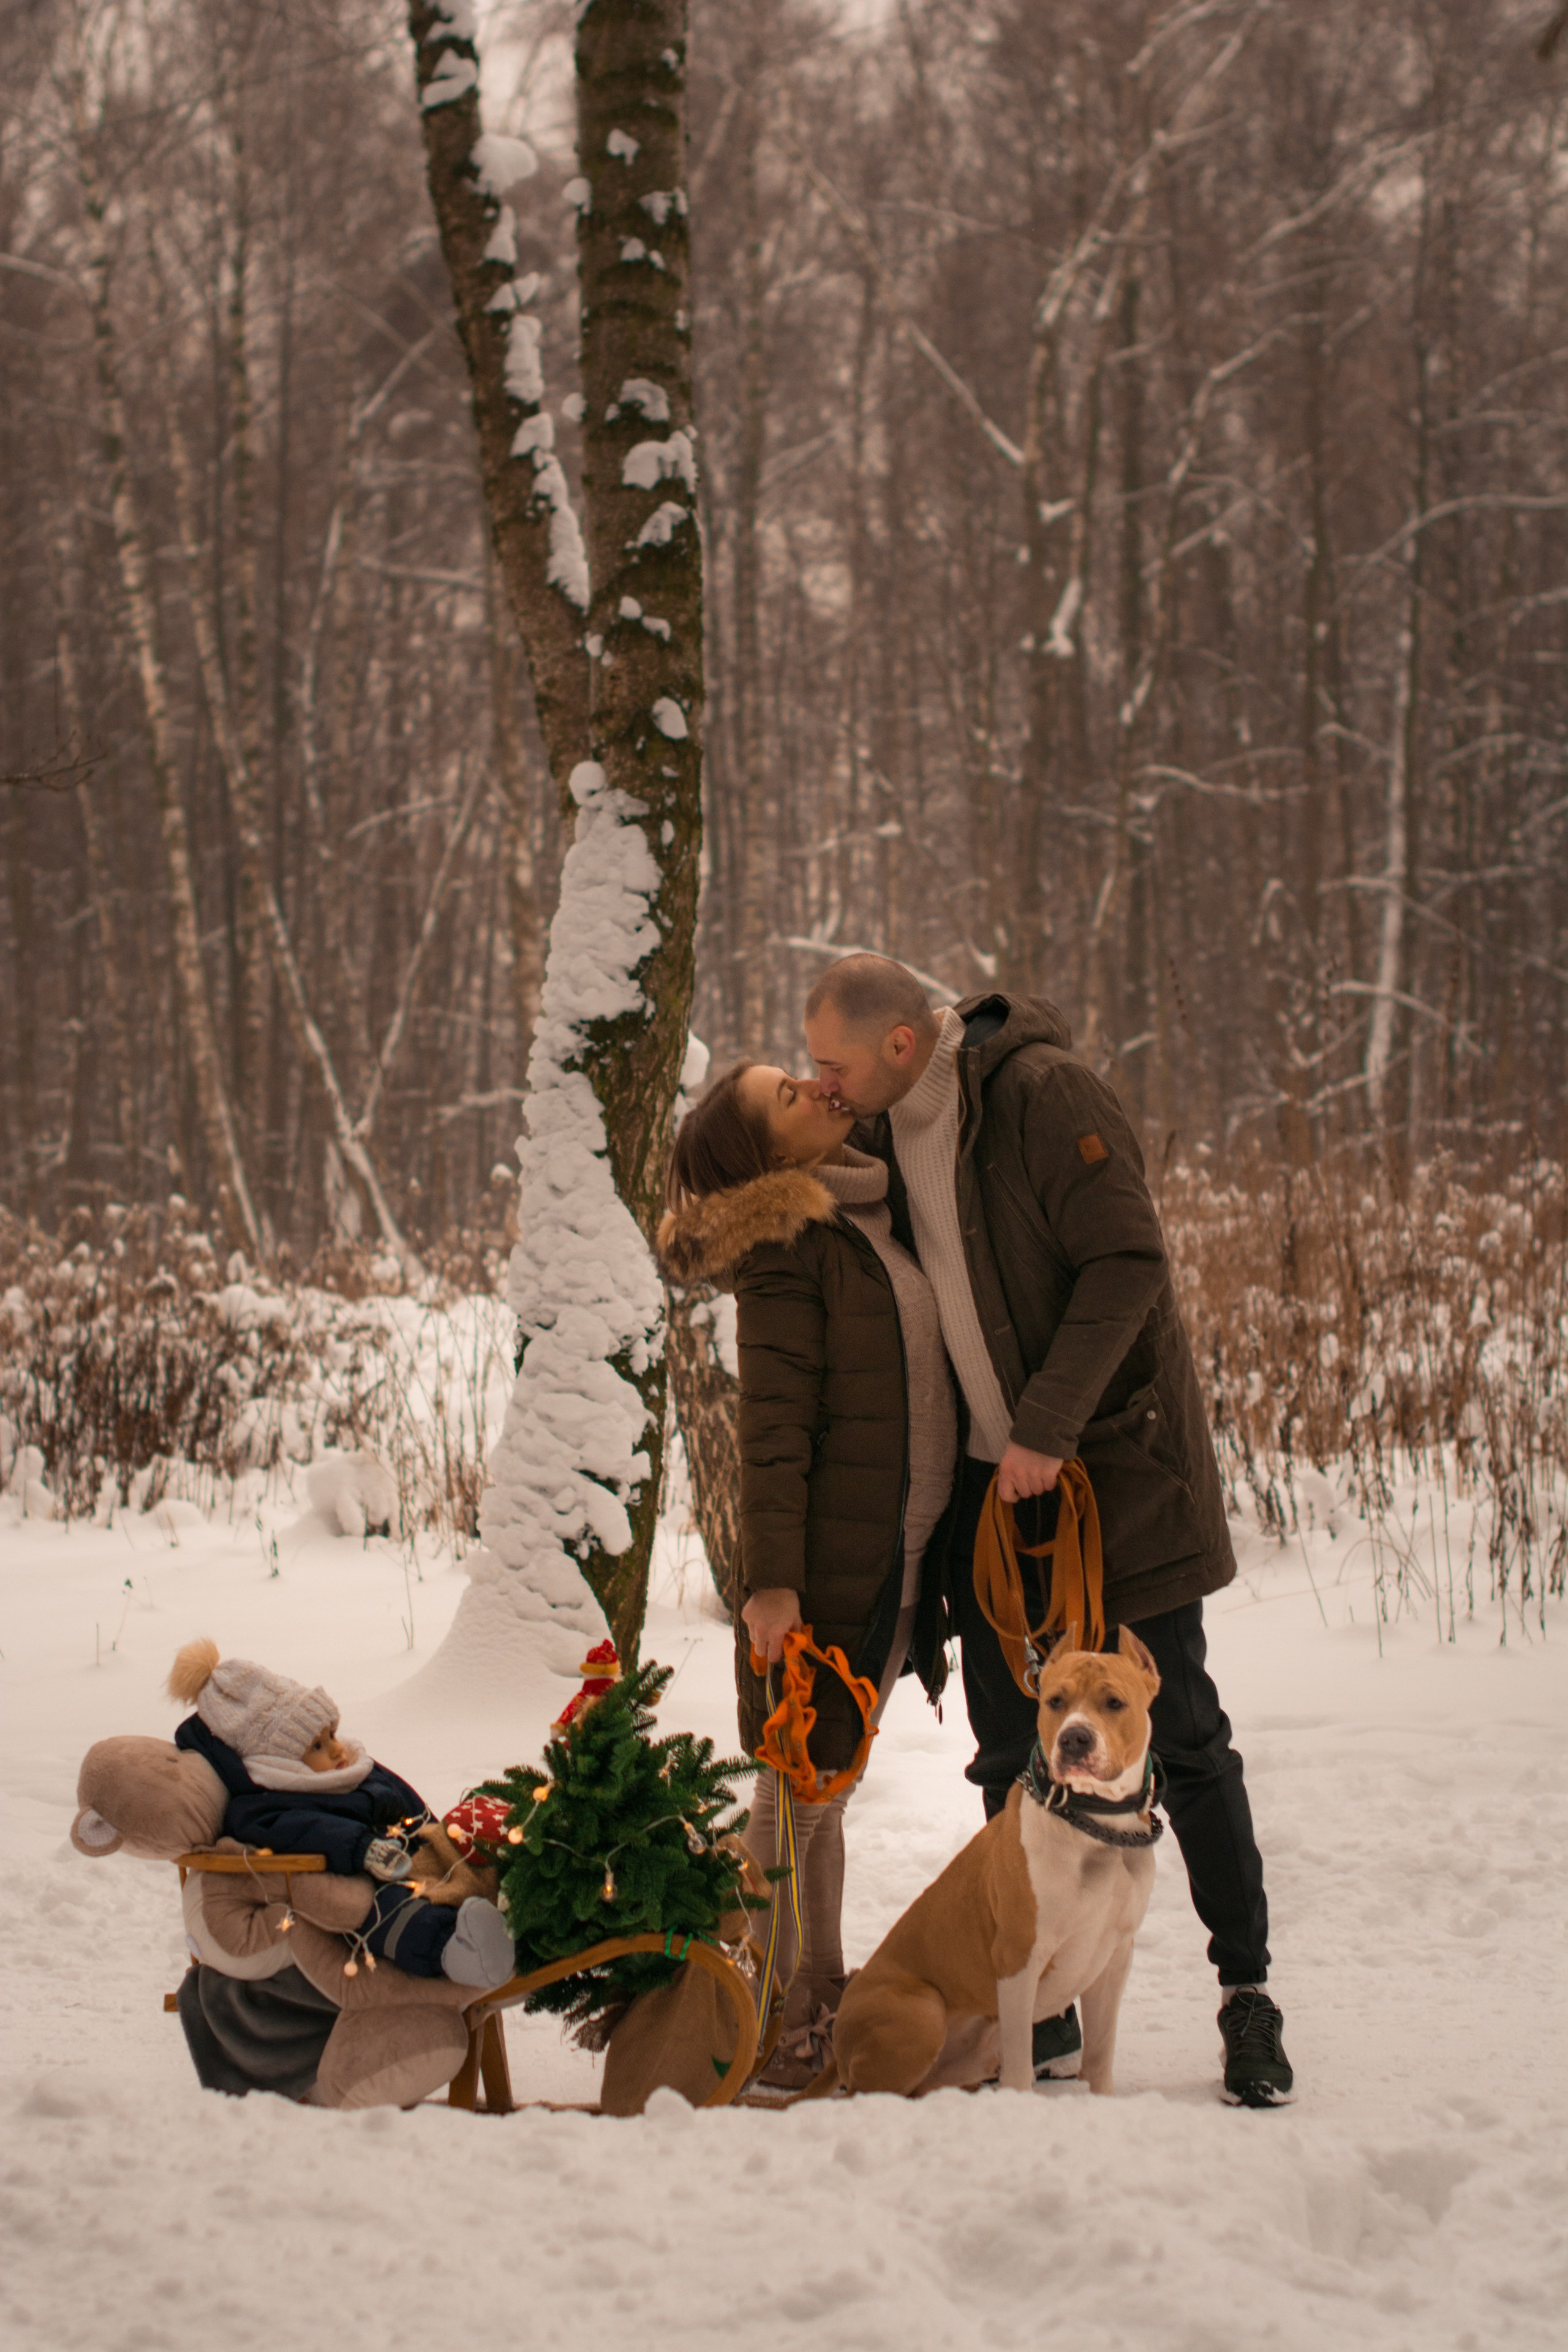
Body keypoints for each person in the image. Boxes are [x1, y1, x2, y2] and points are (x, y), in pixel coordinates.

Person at [802, 954, 1294, 2108]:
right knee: (1009, 1752)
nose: (823, 1083)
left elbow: (1128, 1263)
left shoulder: (1040, 1096)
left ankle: (1249, 1999)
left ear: (903, 1049)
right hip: (996, 1499)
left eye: (834, 1063)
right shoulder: (878, 1136)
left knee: (1182, 1738)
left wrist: (1046, 1423)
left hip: (1115, 1472)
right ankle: (1047, 2009)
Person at [658, 1060, 956, 2088]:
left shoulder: (870, 1205)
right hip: (829, 1565)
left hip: (898, 1553)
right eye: (788, 1098)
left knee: (824, 1792)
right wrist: (770, 1582)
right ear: (766, 1158)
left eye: (798, 1078)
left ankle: (791, 1984)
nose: (817, 1090)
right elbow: (771, 1428)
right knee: (798, 1792)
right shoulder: (787, 1244)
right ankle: (787, 2014)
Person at [167, 1639, 515, 1989]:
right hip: (358, 1879)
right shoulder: (264, 1804)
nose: (336, 1748)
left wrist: (432, 1830)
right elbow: (302, 1829)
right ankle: (456, 1950)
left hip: (409, 1852)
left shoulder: (350, 1769)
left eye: (331, 1734)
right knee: (384, 1913)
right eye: (316, 1746)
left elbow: (402, 1796)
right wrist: (363, 1847)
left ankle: (511, 1907)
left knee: (468, 1847)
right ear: (280, 1761)